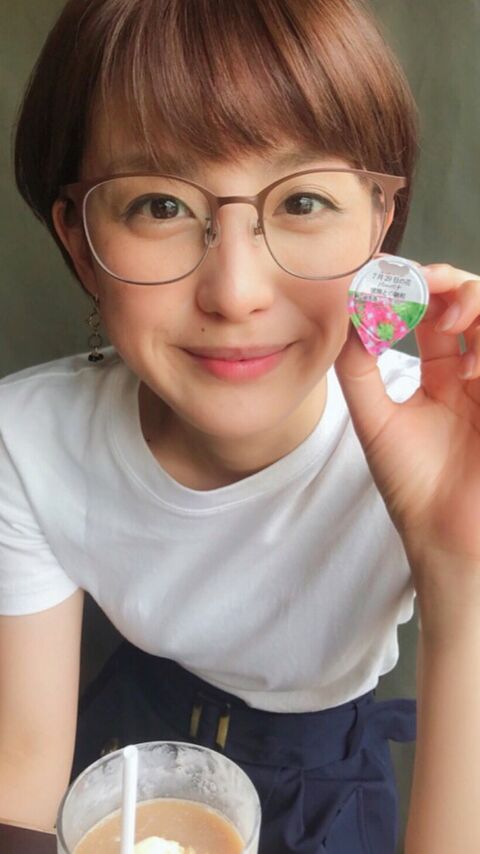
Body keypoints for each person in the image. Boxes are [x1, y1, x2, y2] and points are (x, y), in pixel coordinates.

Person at [0, 0, 479, 851]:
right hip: (130, 736)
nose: (235, 292)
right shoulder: (26, 442)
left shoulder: (451, 443)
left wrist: (459, 568)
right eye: (159, 204)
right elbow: (24, 771)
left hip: (328, 767)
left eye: (304, 198)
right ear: (79, 242)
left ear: (379, 223)